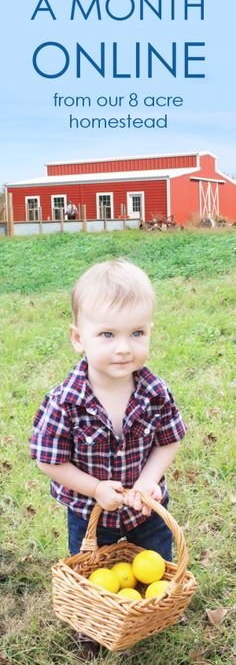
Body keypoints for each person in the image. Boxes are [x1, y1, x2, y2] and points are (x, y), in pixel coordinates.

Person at [30, 259, 187, 660]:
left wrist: (149, 481)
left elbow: (168, 441)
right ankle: (90, 623)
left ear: (150, 331)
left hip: (145, 508)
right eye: (107, 334)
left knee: (154, 563)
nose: (123, 346)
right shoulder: (65, 400)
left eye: (136, 332)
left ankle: (156, 608)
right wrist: (95, 489)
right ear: (78, 338)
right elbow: (49, 460)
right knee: (90, 573)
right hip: (88, 511)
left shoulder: (154, 391)